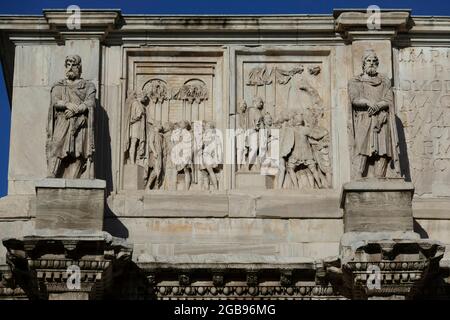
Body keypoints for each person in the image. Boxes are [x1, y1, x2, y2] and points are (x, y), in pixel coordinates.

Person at [348, 49, 400, 178]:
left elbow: (389, 100)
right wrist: (366, 102)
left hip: (382, 118)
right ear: (363, 63)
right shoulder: (356, 81)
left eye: (374, 61)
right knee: (362, 146)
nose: (371, 63)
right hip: (364, 118)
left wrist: (378, 105)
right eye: (368, 60)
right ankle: (358, 175)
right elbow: (354, 99)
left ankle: (380, 176)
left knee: (383, 149)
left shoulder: (384, 81)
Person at [46, 55, 96, 179]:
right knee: (57, 144)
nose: (70, 68)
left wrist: (77, 110)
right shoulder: (59, 85)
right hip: (63, 121)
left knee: (79, 151)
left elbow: (90, 102)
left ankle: (75, 177)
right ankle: (52, 173)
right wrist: (67, 105)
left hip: (80, 122)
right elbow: (55, 101)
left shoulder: (88, 86)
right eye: (68, 65)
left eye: (73, 65)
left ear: (79, 67)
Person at [124, 91, 149, 164]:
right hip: (135, 126)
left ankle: (134, 160)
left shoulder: (141, 105)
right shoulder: (135, 103)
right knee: (133, 142)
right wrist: (138, 116)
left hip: (140, 126)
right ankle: (132, 161)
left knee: (137, 143)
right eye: (145, 97)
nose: (145, 99)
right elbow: (132, 116)